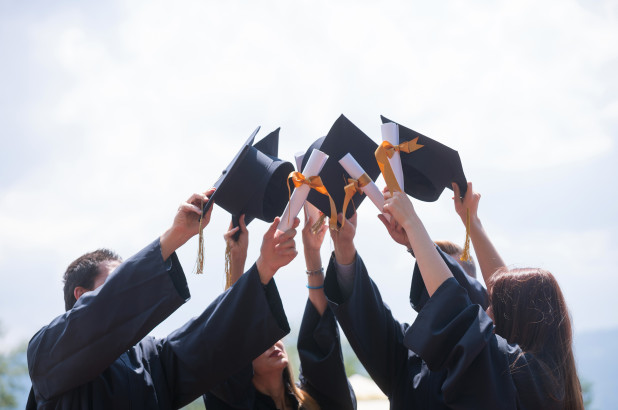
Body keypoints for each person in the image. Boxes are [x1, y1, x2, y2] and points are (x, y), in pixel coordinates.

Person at [26, 190, 299, 410]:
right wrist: (172, 238)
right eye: (118, 277)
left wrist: (263, 268)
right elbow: (101, 311)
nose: (131, 285)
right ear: (82, 295)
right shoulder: (47, 352)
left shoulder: (149, 359)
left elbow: (208, 339)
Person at [380, 182, 584, 409]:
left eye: (493, 308)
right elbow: (505, 293)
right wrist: (472, 223)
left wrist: (412, 224)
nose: (485, 310)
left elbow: (454, 313)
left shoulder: (513, 371)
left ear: (517, 320)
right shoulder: (548, 378)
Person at [204, 213, 356, 409]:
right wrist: (237, 259)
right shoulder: (239, 405)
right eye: (257, 340)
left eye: (272, 335)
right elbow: (228, 343)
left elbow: (324, 343)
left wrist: (312, 251)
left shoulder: (312, 401)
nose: (271, 343)